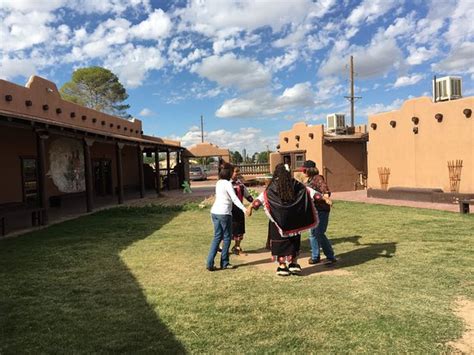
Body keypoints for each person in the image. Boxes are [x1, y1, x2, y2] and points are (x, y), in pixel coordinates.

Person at [247, 163, 323, 276]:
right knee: (294, 241)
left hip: (278, 221)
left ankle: (282, 266)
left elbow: (261, 199)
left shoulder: (273, 187)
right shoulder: (295, 184)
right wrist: (323, 198)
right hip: (294, 221)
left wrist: (251, 207)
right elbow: (311, 192)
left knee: (280, 243)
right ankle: (293, 263)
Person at [207, 163, 248, 271]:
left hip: (214, 212)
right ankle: (224, 263)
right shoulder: (227, 184)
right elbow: (234, 199)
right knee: (227, 238)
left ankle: (209, 263)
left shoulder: (219, 182)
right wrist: (244, 209)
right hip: (224, 213)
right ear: (229, 173)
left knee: (217, 237)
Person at [302, 160, 337, 265]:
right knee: (312, 234)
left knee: (319, 233)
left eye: (304, 169)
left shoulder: (318, 178)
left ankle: (330, 256)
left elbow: (325, 190)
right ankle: (315, 257)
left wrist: (326, 198)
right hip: (313, 210)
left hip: (321, 210)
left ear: (309, 169)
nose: (303, 171)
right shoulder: (308, 180)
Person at [230, 167, 253, 255]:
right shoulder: (226, 183)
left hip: (239, 210)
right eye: (236, 172)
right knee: (229, 229)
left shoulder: (240, 183)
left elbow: (247, 194)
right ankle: (221, 248)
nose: (237, 174)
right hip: (229, 210)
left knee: (240, 229)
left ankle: (237, 247)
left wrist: (254, 202)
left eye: (238, 172)